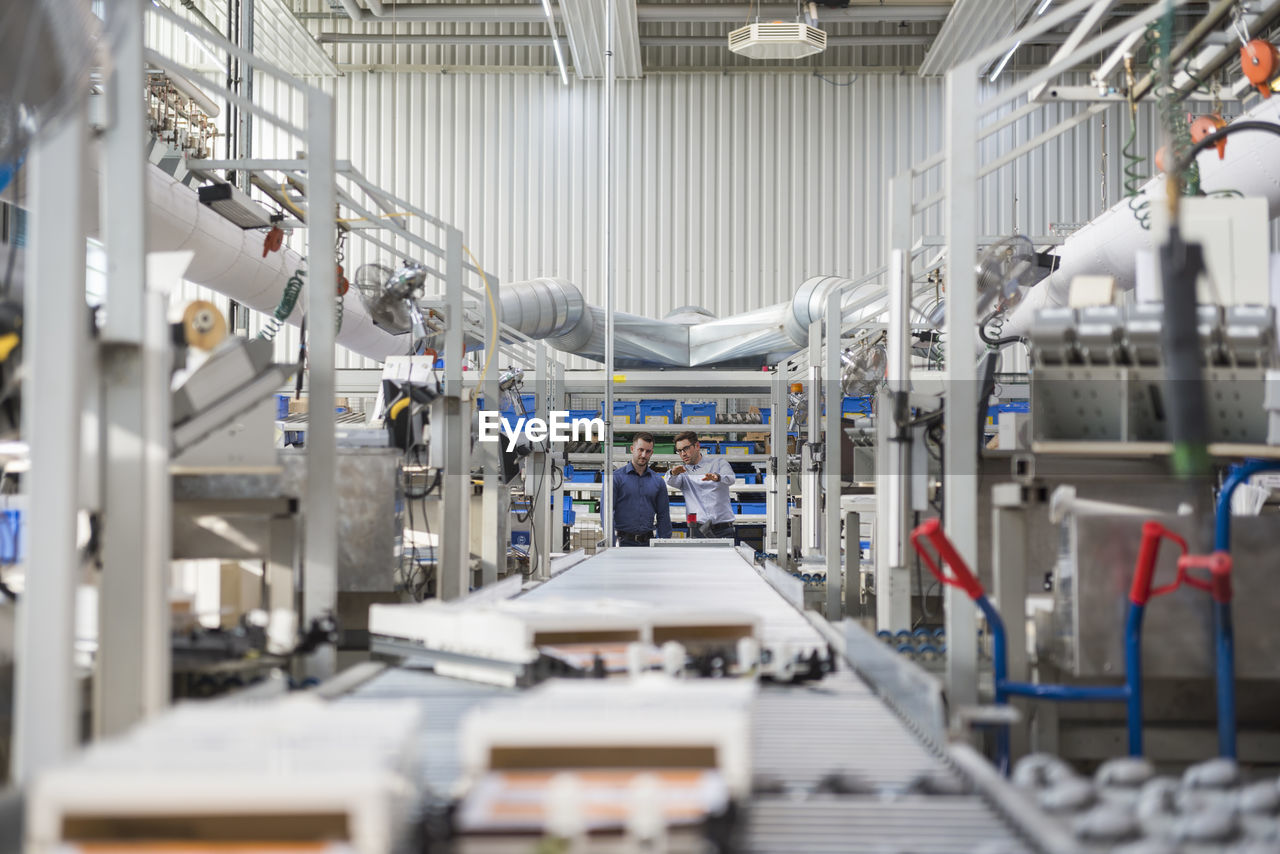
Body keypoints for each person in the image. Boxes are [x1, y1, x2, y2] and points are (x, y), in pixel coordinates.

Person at [666, 431, 737, 540]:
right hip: (697, 531)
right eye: (679, 451)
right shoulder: (682, 472)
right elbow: (670, 480)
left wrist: (717, 477)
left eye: (686, 448)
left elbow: (731, 478)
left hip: (723, 530)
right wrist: (673, 473)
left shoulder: (718, 463)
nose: (683, 454)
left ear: (697, 446)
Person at [612, 432, 672, 547]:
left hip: (648, 543)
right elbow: (607, 513)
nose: (644, 455)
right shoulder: (616, 478)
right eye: (640, 450)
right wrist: (611, 543)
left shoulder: (658, 481)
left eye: (648, 451)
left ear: (652, 453)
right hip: (623, 543)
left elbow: (663, 515)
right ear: (632, 449)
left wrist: (665, 545)